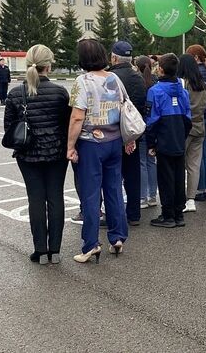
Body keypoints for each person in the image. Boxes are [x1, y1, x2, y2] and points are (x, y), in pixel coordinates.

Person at [67, 40, 134, 263]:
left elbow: (77, 116)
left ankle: (91, 244)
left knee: (91, 194)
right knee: (114, 189)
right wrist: (128, 138)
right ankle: (117, 237)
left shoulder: (83, 81)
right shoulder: (114, 78)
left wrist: (70, 145)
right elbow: (125, 107)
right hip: (114, 141)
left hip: (90, 143)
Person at [4, 45, 70, 265]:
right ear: (49, 65)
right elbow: (66, 123)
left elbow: (9, 128)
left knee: (35, 199)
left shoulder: (15, 93)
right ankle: (56, 250)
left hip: (28, 153)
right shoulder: (60, 92)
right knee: (55, 197)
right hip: (56, 152)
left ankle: (40, 250)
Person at [145, 54, 192, 228]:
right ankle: (179, 213)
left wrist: (151, 143)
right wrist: (182, 135)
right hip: (179, 135)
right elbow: (188, 118)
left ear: (161, 69)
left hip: (163, 137)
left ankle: (168, 215)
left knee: (165, 177)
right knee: (179, 175)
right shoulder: (183, 91)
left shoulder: (155, 91)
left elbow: (151, 119)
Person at [108, 41, 147, 226]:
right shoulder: (138, 77)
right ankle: (134, 214)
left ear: (114, 57)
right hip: (133, 131)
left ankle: (114, 215)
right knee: (132, 172)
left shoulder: (111, 77)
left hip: (115, 131)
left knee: (113, 174)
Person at [186, 45, 206, 202]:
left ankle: (199, 189)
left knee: (196, 158)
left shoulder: (195, 75)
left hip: (198, 118)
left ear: (195, 58)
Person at [178, 54, 206, 213]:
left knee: (178, 164)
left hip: (185, 127)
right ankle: (191, 199)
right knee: (194, 165)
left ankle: (180, 197)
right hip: (200, 126)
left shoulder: (183, 85)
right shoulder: (204, 85)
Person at [135, 56, 158, 209]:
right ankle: (152, 196)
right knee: (151, 161)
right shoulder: (155, 82)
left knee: (141, 162)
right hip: (153, 126)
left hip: (141, 125)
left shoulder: (137, 82)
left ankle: (142, 197)